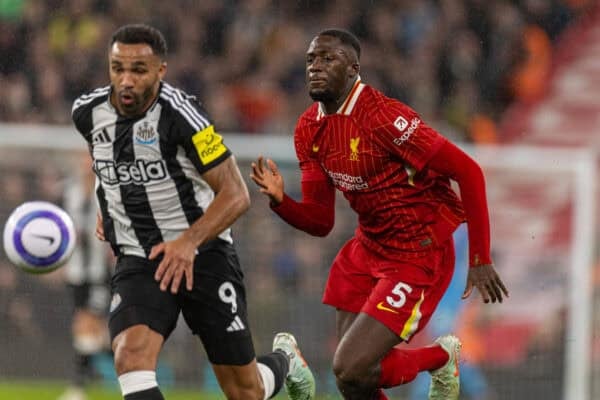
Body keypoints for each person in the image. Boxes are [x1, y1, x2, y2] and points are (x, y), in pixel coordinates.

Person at [250, 28, 509, 400]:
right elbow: (321, 222)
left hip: (417, 253)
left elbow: (468, 171)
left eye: (328, 59)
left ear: (353, 69)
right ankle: (437, 359)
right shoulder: (309, 129)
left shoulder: (385, 118)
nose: (315, 67)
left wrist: (480, 257)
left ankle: (441, 357)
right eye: (311, 60)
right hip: (367, 249)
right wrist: (280, 201)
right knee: (353, 380)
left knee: (351, 367)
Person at [71, 24, 315, 400]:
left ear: (161, 71)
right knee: (130, 356)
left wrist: (187, 242)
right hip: (141, 258)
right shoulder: (88, 113)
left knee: (245, 392)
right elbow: (106, 161)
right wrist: (112, 204)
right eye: (117, 68)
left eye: (138, 70)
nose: (126, 80)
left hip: (204, 255)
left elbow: (236, 194)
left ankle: (286, 359)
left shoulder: (183, 115)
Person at [59, 155, 112, 400]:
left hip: (100, 272)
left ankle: (79, 387)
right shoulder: (68, 191)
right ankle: (117, 365)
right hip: (76, 270)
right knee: (91, 330)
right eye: (82, 159)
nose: (86, 164)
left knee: (86, 321)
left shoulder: (107, 191)